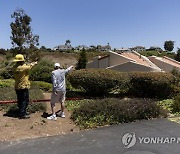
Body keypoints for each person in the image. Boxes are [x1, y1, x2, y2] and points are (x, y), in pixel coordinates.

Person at [12, 54, 37, 119]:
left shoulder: (14, 68)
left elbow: (25, 66)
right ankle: (22, 114)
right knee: (25, 100)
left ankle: (21, 111)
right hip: (23, 86)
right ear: (21, 61)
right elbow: (29, 66)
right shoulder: (23, 67)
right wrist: (34, 63)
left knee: (20, 100)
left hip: (17, 86)